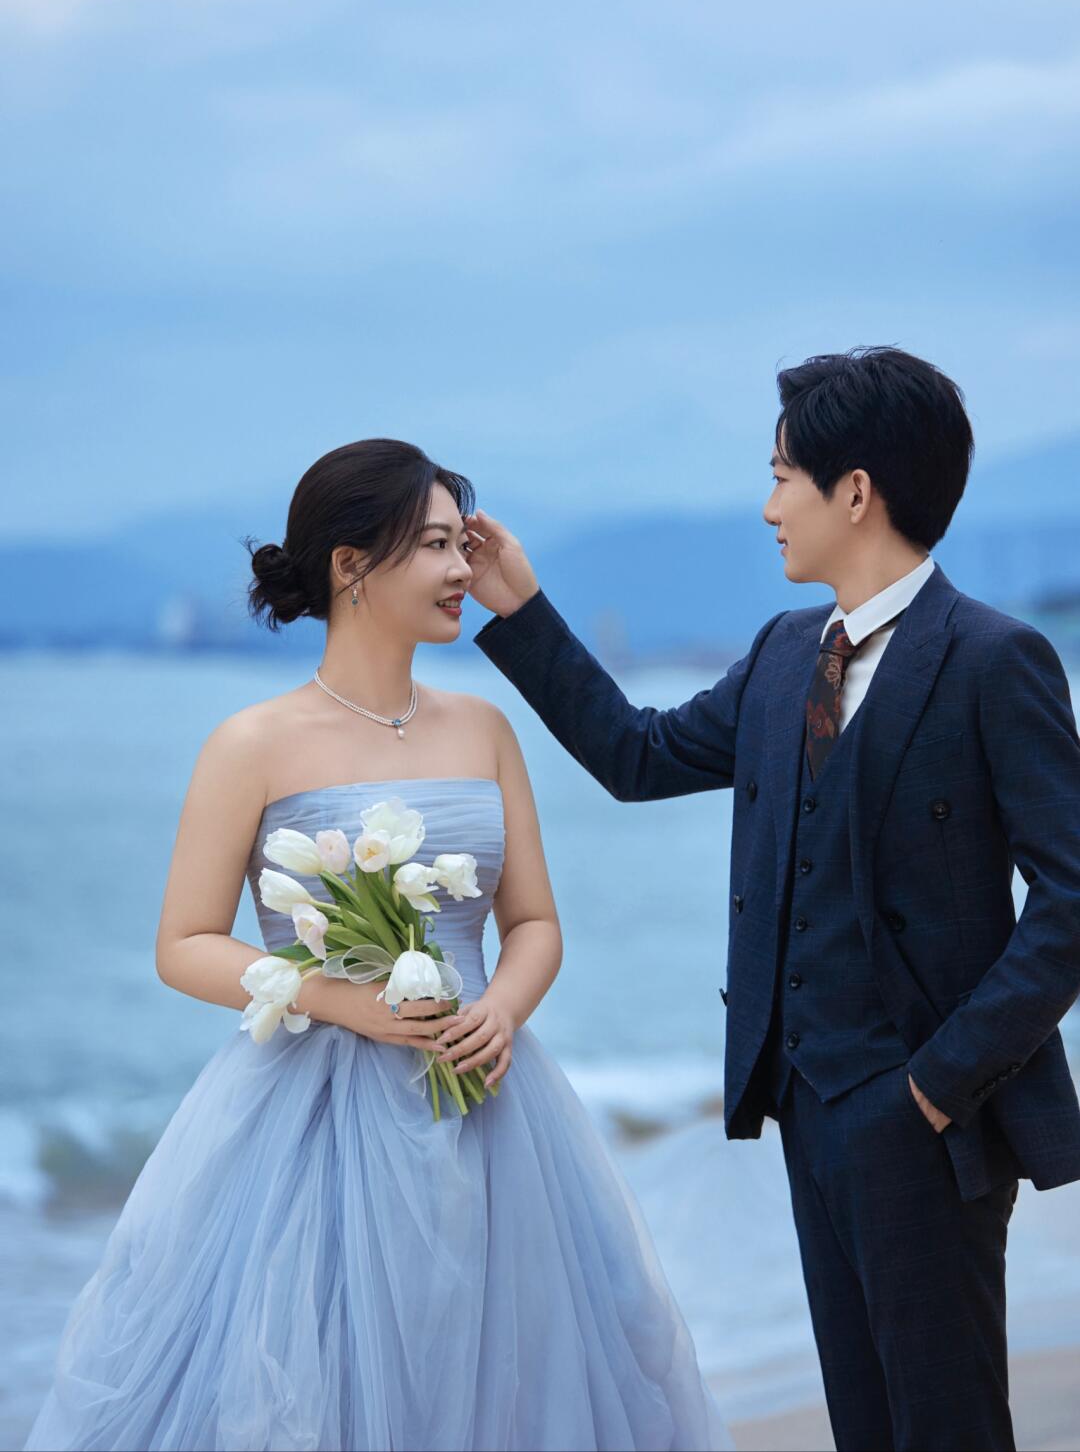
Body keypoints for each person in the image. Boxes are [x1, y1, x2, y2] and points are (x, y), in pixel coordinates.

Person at [23, 437, 732, 1452]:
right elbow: (183, 944)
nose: (459, 571)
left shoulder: (485, 728)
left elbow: (534, 924)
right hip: (309, 1123)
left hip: (490, 1107)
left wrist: (502, 1009)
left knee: (504, 1381)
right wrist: (338, 999)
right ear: (351, 566)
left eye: (460, 544)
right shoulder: (251, 744)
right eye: (435, 546)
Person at [464, 347, 1080, 1452]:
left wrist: (938, 1084)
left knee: (947, 1429)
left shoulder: (995, 659)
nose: (768, 506)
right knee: (863, 1427)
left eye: (783, 475)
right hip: (808, 1103)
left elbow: (1073, 898)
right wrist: (522, 608)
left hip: (928, 1115)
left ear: (857, 492)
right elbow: (638, 754)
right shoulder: (791, 654)